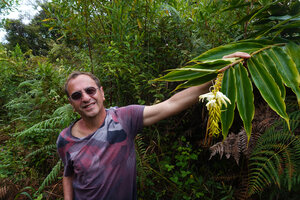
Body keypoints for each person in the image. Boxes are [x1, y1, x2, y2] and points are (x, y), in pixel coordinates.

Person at [57, 52, 250, 200]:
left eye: (90, 90)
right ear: (72, 104)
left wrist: (217, 72)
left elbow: (172, 103)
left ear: (102, 93)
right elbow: (69, 174)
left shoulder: (123, 118)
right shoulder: (65, 139)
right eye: (77, 95)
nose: (85, 98)